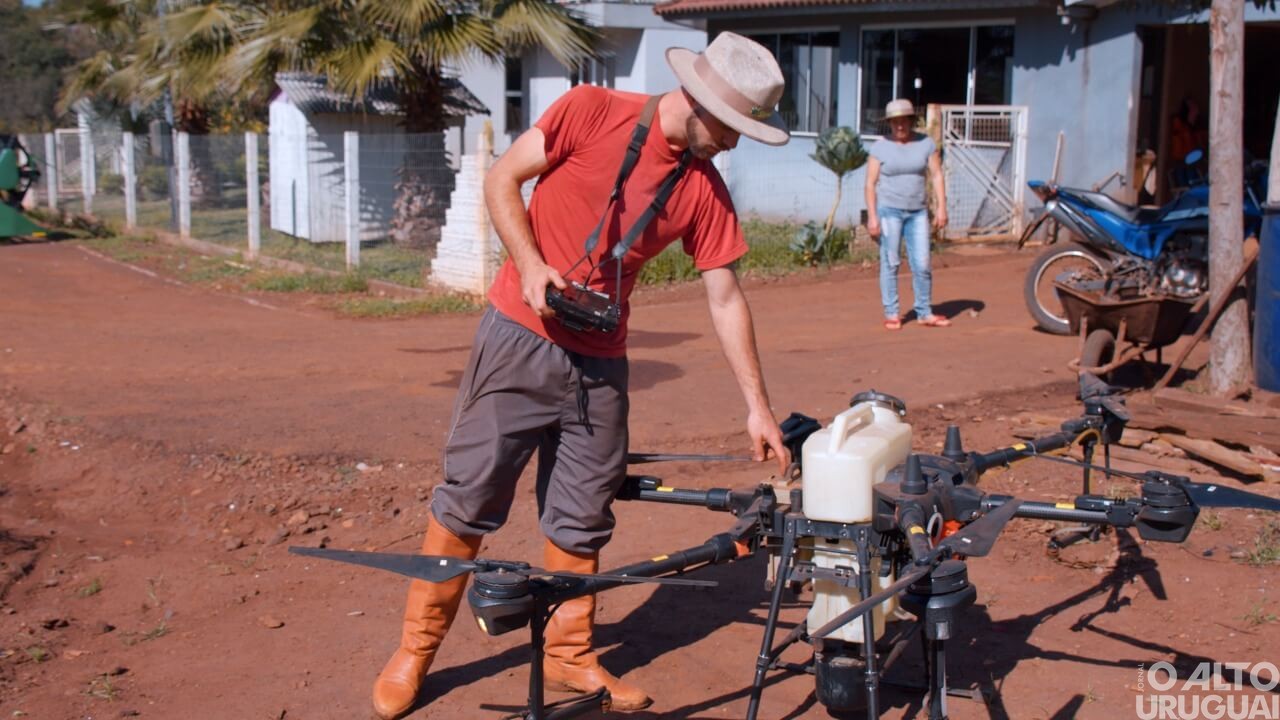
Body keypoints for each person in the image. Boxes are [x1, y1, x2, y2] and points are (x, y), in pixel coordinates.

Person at [370, 32, 793, 720]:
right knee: (469, 498)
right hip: (519, 336)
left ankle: (568, 656)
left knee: (583, 513)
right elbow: (501, 177)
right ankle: (414, 652)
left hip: (601, 363)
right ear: (697, 101)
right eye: (734, 126)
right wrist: (532, 265)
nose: (737, 143)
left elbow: (725, 296)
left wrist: (758, 408)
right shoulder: (590, 109)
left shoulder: (703, 188)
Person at [865, 98, 949, 330]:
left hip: (918, 213)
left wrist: (941, 207)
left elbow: (937, 175)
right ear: (889, 123)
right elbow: (870, 184)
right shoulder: (880, 147)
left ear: (911, 121)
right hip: (889, 211)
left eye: (904, 122)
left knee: (922, 263)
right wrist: (873, 216)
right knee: (891, 262)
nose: (900, 127)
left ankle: (924, 311)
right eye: (895, 123)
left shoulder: (926, 144)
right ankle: (892, 313)